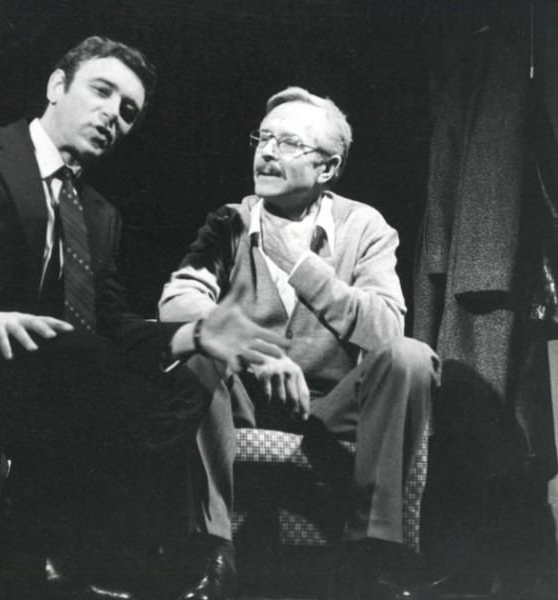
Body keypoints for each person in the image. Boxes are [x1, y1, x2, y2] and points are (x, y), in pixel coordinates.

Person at [0, 37, 292, 600]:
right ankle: (55, 557)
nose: (112, 116)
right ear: (57, 86)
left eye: (128, 111)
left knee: (182, 383)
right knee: (91, 368)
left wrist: (197, 334)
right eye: (101, 91)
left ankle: (51, 554)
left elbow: (109, 322)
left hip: (52, 372)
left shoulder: (100, 215)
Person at [159, 87, 441, 600]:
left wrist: (300, 265)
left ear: (327, 167)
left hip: (331, 411)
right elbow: (177, 303)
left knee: (410, 357)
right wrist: (253, 351)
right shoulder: (229, 222)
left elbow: (387, 329)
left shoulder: (364, 226)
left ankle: (374, 554)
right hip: (242, 404)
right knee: (196, 349)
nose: (267, 152)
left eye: (288, 143)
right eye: (263, 138)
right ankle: (211, 554)